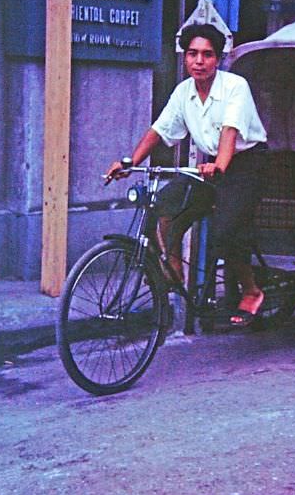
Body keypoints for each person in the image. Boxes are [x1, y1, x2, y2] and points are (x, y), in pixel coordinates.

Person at [106, 23, 268, 327]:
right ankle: (174, 271)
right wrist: (129, 161)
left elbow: (230, 132)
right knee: (165, 205)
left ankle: (251, 290)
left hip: (246, 164)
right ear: (184, 57)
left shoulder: (235, 87)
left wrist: (219, 166)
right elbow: (160, 129)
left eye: (207, 55)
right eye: (192, 53)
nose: (198, 61)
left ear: (218, 60)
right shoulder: (184, 92)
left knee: (226, 229)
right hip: (211, 164)